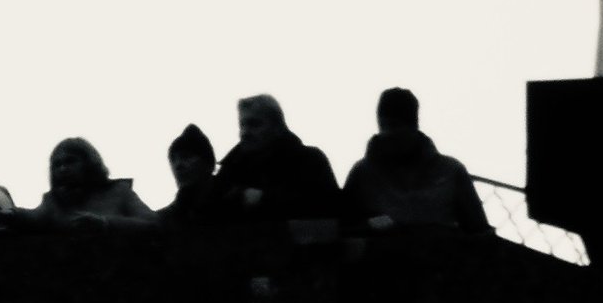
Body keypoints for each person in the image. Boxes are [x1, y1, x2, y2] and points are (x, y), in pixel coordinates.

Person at [342, 87, 493, 236]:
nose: (387, 134)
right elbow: (344, 229)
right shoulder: (362, 173)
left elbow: (480, 234)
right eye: (383, 126)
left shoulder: (452, 172)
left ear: (413, 126)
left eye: (395, 125)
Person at [212, 93, 343, 224]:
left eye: (255, 124)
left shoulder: (309, 160)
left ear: (278, 127)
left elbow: (328, 206)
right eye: (242, 125)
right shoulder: (232, 167)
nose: (245, 132)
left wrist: (264, 199)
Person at [7, 137, 156, 233]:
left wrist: (106, 224)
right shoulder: (53, 201)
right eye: (57, 164)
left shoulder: (119, 192)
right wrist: (11, 215)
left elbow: (152, 224)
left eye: (70, 161)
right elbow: (35, 217)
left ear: (89, 164)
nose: (63, 168)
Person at [157, 123, 229, 230]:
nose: (178, 165)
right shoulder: (165, 220)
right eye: (173, 159)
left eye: (186, 157)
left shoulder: (232, 206)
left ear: (207, 163)